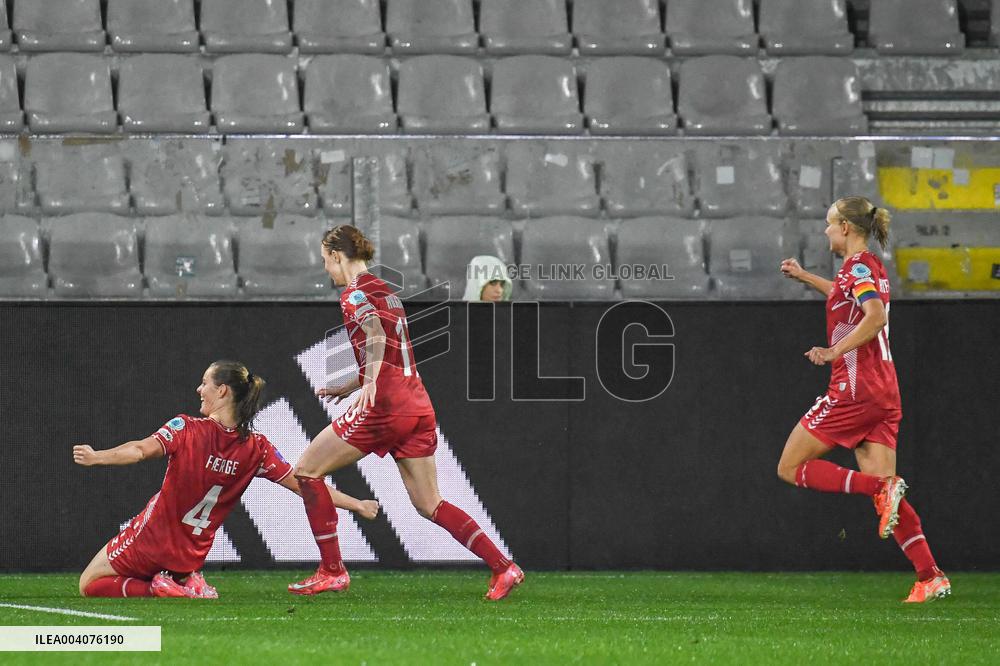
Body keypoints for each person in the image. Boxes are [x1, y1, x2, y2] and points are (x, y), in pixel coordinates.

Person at [289, 225, 523, 600]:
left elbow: (376, 334)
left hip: (387, 406)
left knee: (306, 470)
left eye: (325, 261)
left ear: (337, 255)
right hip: (417, 404)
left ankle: (332, 570)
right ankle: (503, 567)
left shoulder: (354, 294)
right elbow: (392, 346)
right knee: (429, 503)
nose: (326, 270)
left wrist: (368, 384)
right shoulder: (388, 292)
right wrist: (353, 383)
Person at [74, 361, 379, 599]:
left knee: (90, 584)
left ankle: (158, 588)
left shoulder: (186, 429)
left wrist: (97, 456)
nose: (199, 389)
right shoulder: (256, 447)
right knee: (157, 570)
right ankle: (181, 579)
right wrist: (357, 504)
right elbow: (306, 487)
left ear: (222, 391)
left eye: (205, 382)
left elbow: (140, 450)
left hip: (152, 539)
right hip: (191, 554)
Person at [778, 196, 950, 603]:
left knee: (789, 466)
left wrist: (833, 352)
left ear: (846, 228)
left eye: (828, 223)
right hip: (884, 393)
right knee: (889, 494)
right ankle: (930, 575)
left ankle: (877, 488)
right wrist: (806, 277)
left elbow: (874, 316)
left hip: (855, 390)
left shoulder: (856, 268)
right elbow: (845, 296)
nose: (824, 231)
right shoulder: (866, 267)